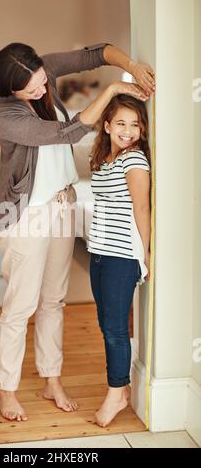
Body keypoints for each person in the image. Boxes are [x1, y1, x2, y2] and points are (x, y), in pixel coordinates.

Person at [0, 41, 155, 422]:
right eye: (30, 87)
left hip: (62, 205)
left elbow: (95, 53)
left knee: (53, 300)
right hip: (25, 214)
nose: (41, 89)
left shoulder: (42, 72)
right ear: (8, 88)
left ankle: (52, 379)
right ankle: (6, 390)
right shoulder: (3, 114)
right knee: (21, 306)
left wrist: (130, 66)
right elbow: (67, 133)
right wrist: (112, 90)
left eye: (42, 80)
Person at [88, 94, 152, 427]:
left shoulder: (134, 160)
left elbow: (142, 208)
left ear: (142, 129)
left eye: (135, 125)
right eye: (121, 123)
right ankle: (120, 388)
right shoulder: (104, 157)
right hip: (98, 252)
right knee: (106, 324)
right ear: (108, 125)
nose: (128, 131)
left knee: (114, 330)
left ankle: (117, 394)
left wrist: (146, 254)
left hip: (121, 256)